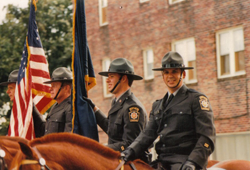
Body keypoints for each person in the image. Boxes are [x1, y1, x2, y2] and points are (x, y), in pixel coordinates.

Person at [121, 52, 216, 170]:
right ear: (162, 75)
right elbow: (147, 135)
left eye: (174, 71)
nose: (170, 76)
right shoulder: (157, 105)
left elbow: (207, 137)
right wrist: (129, 151)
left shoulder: (196, 100)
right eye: (166, 72)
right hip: (162, 161)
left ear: (183, 74)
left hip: (185, 161)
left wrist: (193, 162)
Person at [84, 58, 149, 162]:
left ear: (123, 78)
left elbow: (130, 143)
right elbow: (112, 130)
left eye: (111, 76)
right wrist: (94, 109)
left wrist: (102, 149)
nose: (107, 80)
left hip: (132, 164)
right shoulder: (117, 102)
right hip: (118, 162)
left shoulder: (133, 108)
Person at [0, 69, 42, 137]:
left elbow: (43, 130)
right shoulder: (15, 110)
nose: (7, 91)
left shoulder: (30, 110)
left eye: (11, 88)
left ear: (20, 89)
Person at [32, 67, 73, 136]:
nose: (50, 89)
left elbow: (68, 140)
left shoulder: (71, 108)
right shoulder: (56, 106)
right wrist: (31, 106)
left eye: (54, 86)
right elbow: (45, 131)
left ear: (66, 88)